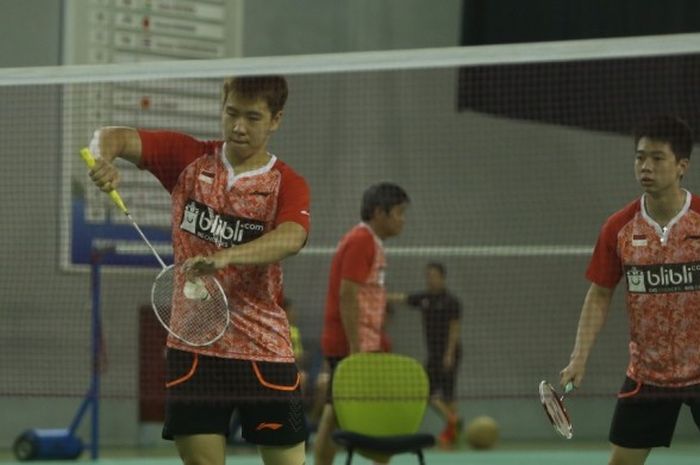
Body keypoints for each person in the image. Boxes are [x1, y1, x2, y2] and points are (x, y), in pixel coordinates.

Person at [86, 76, 310, 465]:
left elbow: (291, 237)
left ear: (276, 120)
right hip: (194, 348)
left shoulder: (286, 183)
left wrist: (228, 257)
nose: (239, 126)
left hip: (265, 348)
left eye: (253, 118)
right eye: (231, 113)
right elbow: (112, 136)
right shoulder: (187, 158)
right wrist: (102, 157)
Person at [560, 115, 700, 465]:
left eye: (657, 158)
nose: (645, 167)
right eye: (639, 157)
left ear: (681, 165)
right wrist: (579, 357)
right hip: (649, 375)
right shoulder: (619, 228)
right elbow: (599, 294)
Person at [314, 182, 410, 465]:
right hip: (352, 346)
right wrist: (356, 349)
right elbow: (347, 295)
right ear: (379, 212)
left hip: (362, 343)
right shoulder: (361, 240)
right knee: (376, 413)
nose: (403, 219)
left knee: (335, 413)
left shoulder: (370, 242)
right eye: (399, 212)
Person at [400, 262, 462, 447]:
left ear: (442, 277)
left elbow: (455, 328)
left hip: (449, 354)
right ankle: (452, 420)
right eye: (428, 275)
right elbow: (404, 298)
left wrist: (449, 353)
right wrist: (377, 295)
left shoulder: (451, 301)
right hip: (433, 354)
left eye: (434, 275)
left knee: (449, 394)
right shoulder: (424, 298)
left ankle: (453, 434)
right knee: (425, 391)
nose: (430, 279)